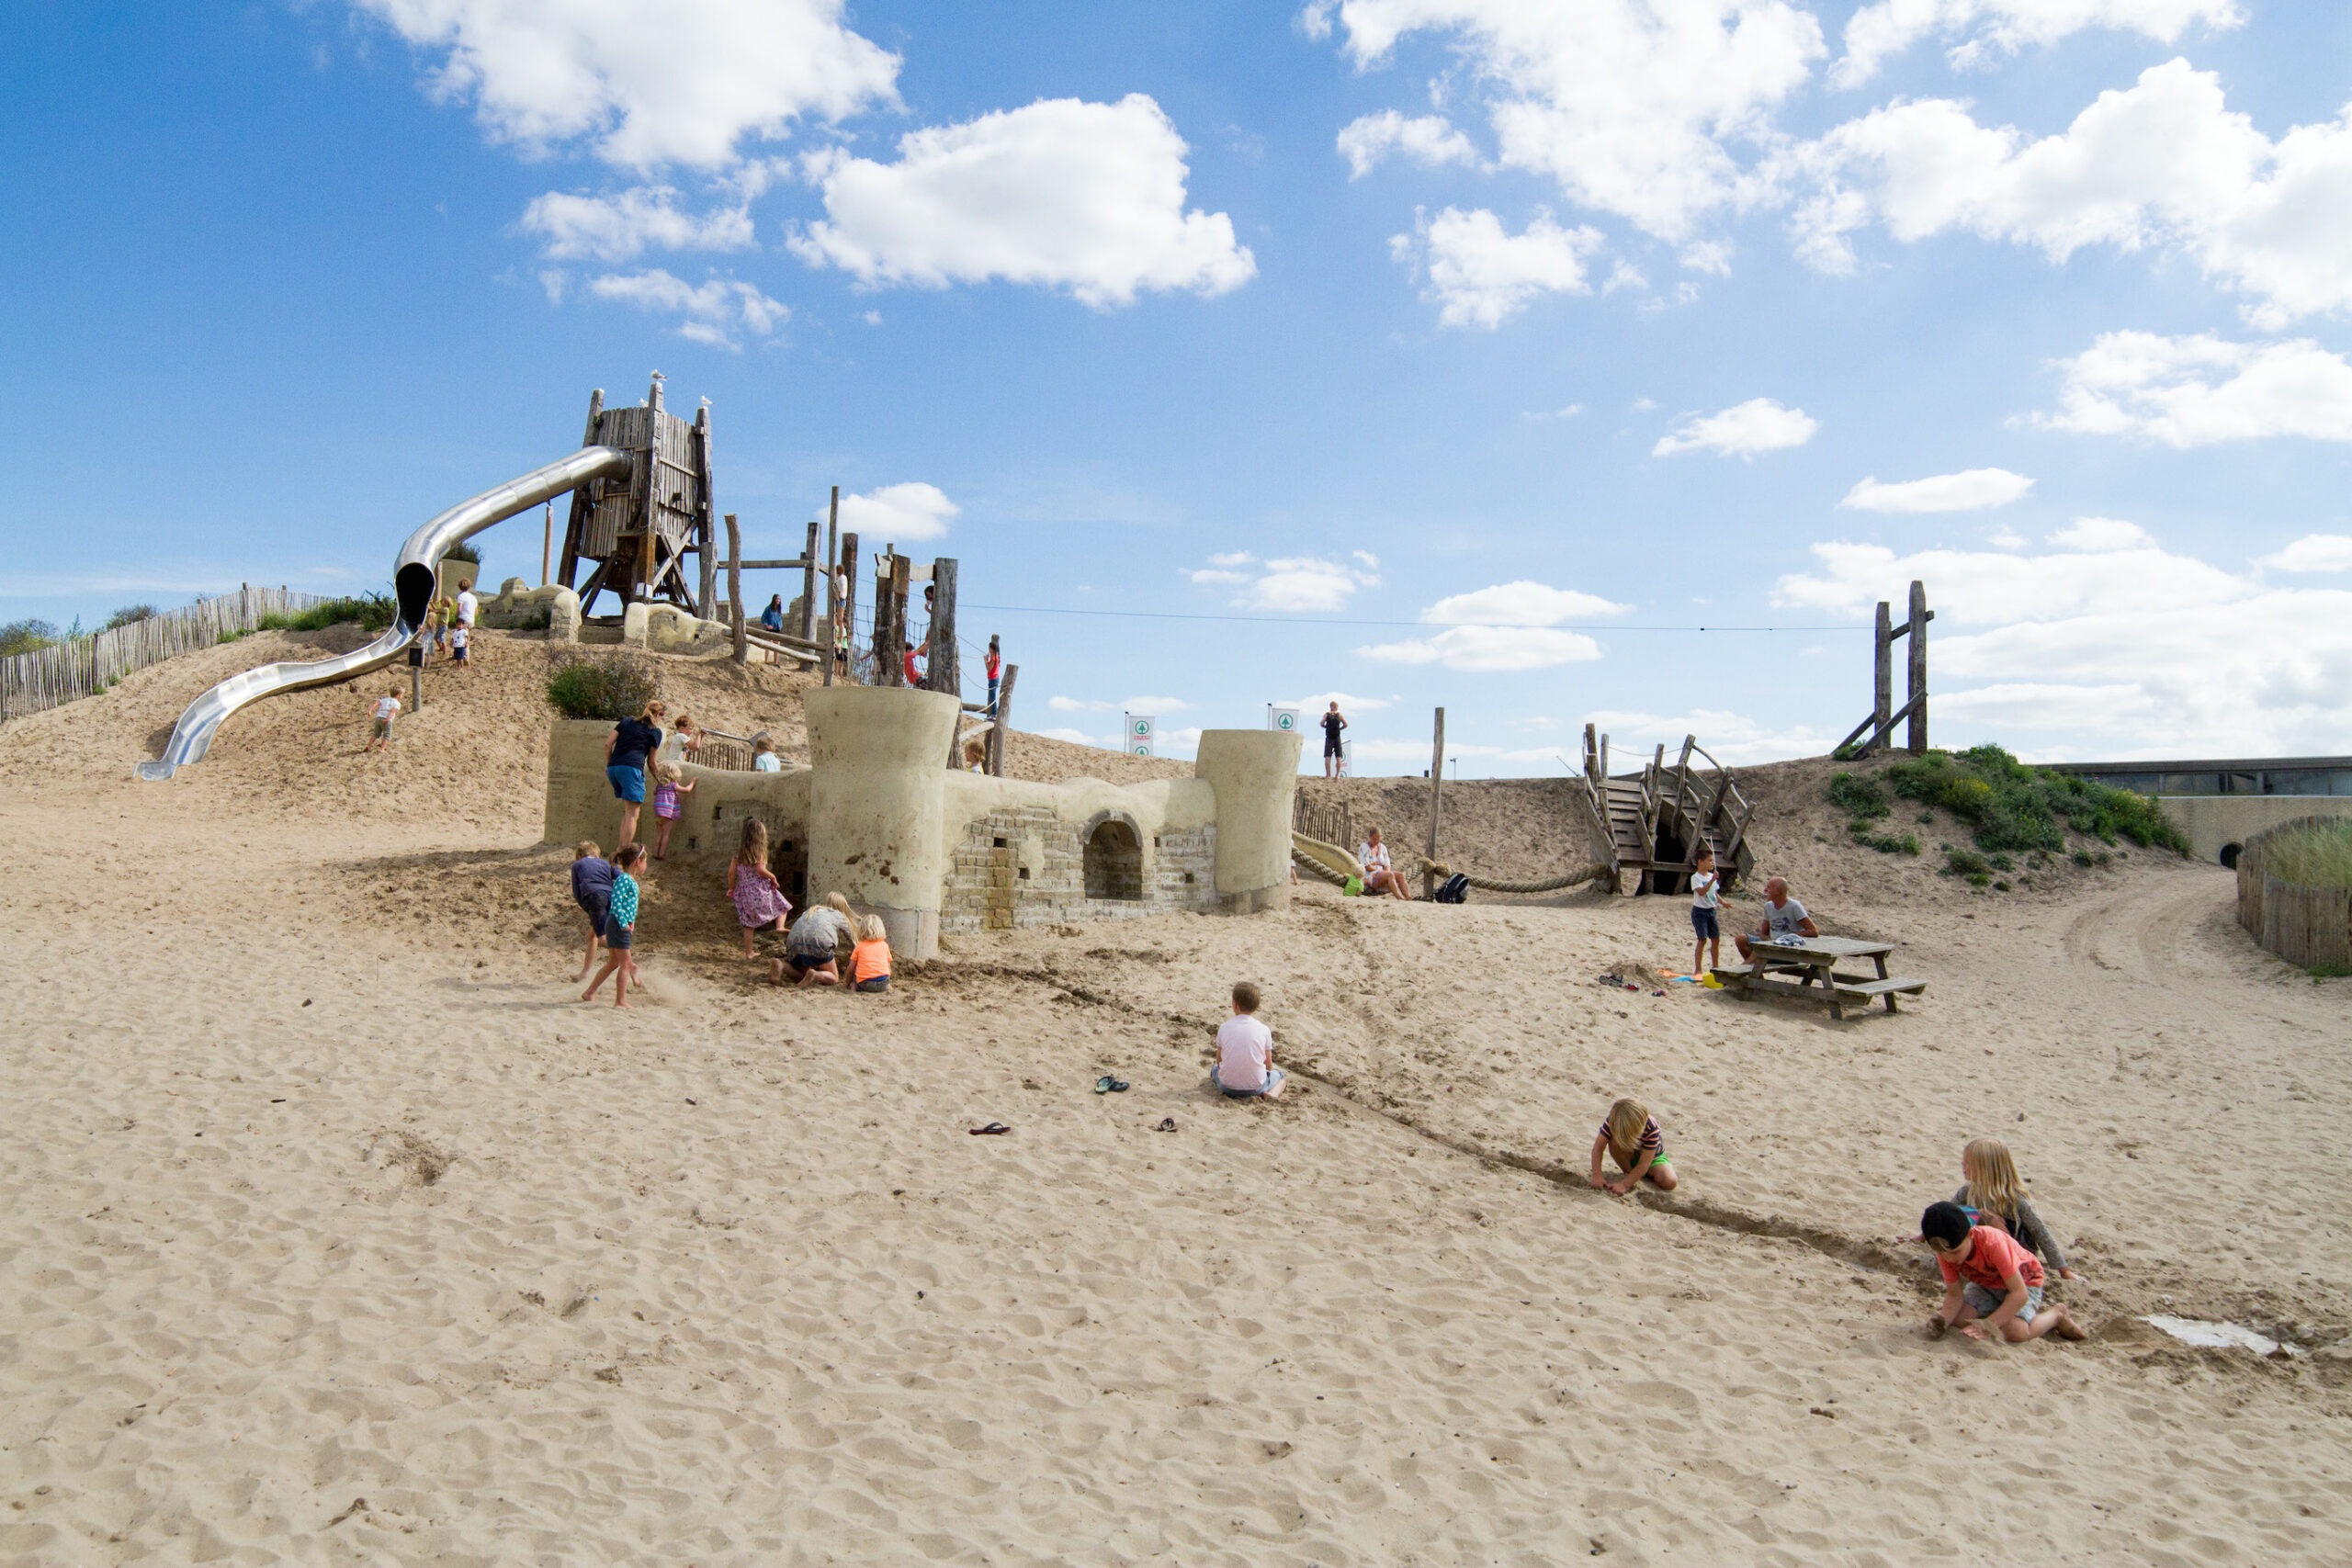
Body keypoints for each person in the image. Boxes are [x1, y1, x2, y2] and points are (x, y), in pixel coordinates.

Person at [1921, 1200, 2084, 1343]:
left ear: (1970, 1234)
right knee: (1958, 1320)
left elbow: (2019, 1294)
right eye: (1942, 1253)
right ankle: (1999, 1311)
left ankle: (2057, 1315)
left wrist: (1988, 1325)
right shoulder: (1945, 1251)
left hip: (2025, 1281)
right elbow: (1954, 1295)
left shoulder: (1992, 1243)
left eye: (1955, 1252)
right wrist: (1943, 1322)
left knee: (2014, 1332)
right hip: (1986, 1284)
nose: (1949, 1258)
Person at [1955, 1138, 2078, 1280]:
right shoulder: (1968, 1191)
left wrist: (2064, 1270)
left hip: (2017, 1255)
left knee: (1986, 1218)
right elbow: (1948, 1213)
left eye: (1968, 1163)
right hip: (1984, 1253)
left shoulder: (2015, 1199)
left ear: (1986, 1168)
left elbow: (2041, 1233)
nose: (1963, 1165)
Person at [582, 844, 645, 1008]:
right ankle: (620, 1001)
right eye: (645, 862)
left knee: (614, 963)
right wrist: (624, 925)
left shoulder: (629, 880)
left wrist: (629, 925)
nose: (646, 866)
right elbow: (616, 904)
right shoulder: (624, 880)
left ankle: (590, 992)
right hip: (618, 925)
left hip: (620, 925)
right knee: (624, 965)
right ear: (638, 862)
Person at [727, 818, 792, 959]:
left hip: (744, 893)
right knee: (783, 907)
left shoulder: (738, 855)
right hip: (759, 890)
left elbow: (731, 874)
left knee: (748, 924)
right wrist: (772, 877)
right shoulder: (759, 853)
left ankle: (749, 953)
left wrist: (731, 888)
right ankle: (780, 926)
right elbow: (760, 870)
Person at [604, 699, 665, 848]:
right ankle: (624, 852)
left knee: (627, 813)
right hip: (632, 770)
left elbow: (607, 744)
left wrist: (609, 764)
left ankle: (620, 849)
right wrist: (661, 781)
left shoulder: (626, 722)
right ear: (658, 714)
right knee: (632, 815)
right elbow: (652, 762)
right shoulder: (655, 732)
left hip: (614, 769)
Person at [1212, 981, 1285, 1099]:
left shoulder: (1224, 1027)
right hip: (1255, 1088)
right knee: (1280, 1076)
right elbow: (1268, 1065)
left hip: (1227, 1087)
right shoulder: (1264, 1029)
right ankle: (1272, 1093)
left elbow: (1219, 1061)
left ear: (1235, 1005)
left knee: (1214, 1069)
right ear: (1256, 1007)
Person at [1590, 1098, 1678, 1193]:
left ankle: (1641, 1174)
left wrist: (1624, 1185)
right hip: (1627, 1155)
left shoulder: (1651, 1127)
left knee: (1670, 1182)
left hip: (1652, 1158)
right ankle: (1629, 1173)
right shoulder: (1613, 1121)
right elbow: (1598, 1148)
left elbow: (1644, 1163)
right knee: (1614, 1142)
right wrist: (1597, 1176)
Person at [774, 892, 855, 987]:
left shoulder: (812, 910)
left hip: (793, 942)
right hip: (819, 943)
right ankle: (815, 974)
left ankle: (782, 965)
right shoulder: (840, 916)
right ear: (843, 907)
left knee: (803, 975)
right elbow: (853, 940)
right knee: (834, 977)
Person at [1733, 876, 1817, 961]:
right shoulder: (1768, 906)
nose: (1765, 890)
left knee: (1759, 952)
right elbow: (1764, 934)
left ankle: (1747, 966)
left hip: (1787, 949)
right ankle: (1754, 968)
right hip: (1772, 944)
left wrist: (1789, 937)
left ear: (1777, 891)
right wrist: (1770, 941)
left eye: (1769, 887)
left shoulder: (1794, 906)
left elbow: (1813, 931)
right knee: (1741, 939)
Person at [570, 840, 612, 982]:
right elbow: (619, 876)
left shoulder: (578, 865)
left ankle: (627, 958)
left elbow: (576, 891)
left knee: (602, 937)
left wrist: (585, 906)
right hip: (610, 897)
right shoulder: (605, 864)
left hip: (594, 896)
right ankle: (585, 973)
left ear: (579, 856)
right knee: (591, 935)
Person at [1688, 847, 1724, 977]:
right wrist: (1712, 880)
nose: (1712, 863)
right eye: (1709, 860)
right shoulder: (1695, 878)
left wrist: (1723, 902)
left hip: (1711, 911)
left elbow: (1714, 893)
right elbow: (1702, 892)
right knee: (1702, 940)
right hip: (1699, 912)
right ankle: (1698, 969)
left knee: (1716, 939)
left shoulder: (1710, 876)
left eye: (1712, 860)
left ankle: (1716, 967)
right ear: (1700, 862)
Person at [649, 761, 694, 860]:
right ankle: (662, 854)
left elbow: (655, 792)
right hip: (668, 813)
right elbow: (687, 790)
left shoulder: (659, 785)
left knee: (660, 834)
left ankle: (655, 852)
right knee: (666, 834)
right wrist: (693, 782)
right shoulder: (673, 785)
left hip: (658, 812)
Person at [1358, 827, 1409, 899]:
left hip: (1382, 873)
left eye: (1378, 839)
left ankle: (1408, 897)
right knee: (1390, 875)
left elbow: (1387, 864)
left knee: (1400, 875)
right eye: (1374, 839)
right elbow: (1367, 866)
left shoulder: (1383, 848)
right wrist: (1381, 872)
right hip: (1369, 875)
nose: (1376, 841)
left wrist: (1385, 872)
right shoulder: (1364, 847)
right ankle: (1399, 897)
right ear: (1370, 837)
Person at [850, 916, 892, 993]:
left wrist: (846, 983)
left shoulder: (860, 946)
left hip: (865, 984)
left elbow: (851, 968)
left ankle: (854, 987)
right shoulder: (885, 946)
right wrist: (887, 981)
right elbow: (888, 967)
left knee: (856, 972)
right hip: (882, 984)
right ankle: (888, 986)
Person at [365, 685, 401, 752]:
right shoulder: (397, 703)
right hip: (386, 720)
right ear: (398, 695)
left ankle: (368, 746)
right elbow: (392, 712)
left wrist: (370, 710)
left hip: (378, 718)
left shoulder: (385, 699)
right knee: (387, 735)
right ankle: (382, 749)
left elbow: (376, 703)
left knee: (375, 734)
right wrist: (388, 719)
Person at [451, 579, 477, 669]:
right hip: (471, 619)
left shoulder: (461, 596)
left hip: (463, 619)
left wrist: (456, 616)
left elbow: (459, 609)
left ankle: (465, 658)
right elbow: (476, 612)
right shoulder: (473, 597)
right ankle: (463, 656)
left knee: (463, 640)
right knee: (465, 637)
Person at [1320, 701, 1347, 781]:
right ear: (1334, 706)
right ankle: (1337, 775)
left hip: (1329, 737)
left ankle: (1327, 775)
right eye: (1337, 706)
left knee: (1327, 756)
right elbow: (1345, 724)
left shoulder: (1326, 715)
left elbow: (1321, 723)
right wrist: (1340, 728)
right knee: (1338, 757)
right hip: (1337, 737)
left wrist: (1326, 727)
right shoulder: (1339, 715)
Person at [985, 636, 1001, 716]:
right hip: (994, 678)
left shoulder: (994, 658)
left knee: (992, 697)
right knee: (992, 697)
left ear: (991, 649)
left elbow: (989, 669)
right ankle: (993, 713)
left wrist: (985, 660)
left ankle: (994, 714)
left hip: (993, 679)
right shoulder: (997, 657)